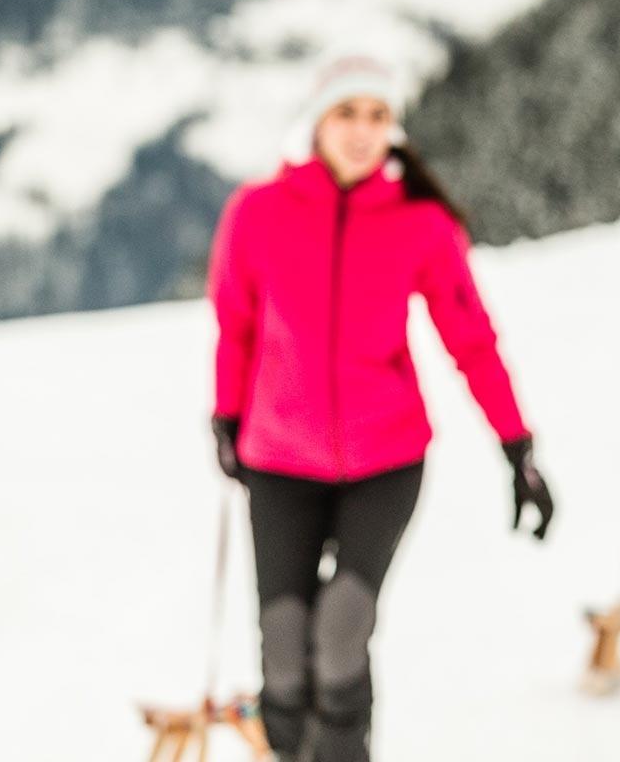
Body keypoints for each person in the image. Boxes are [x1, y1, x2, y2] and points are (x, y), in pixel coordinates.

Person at [207, 55, 555, 762]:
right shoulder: (259, 212)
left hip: (385, 459)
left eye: (377, 115)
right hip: (279, 460)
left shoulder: (418, 223)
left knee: (340, 632)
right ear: (318, 121)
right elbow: (237, 323)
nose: (363, 131)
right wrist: (228, 416)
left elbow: (472, 340)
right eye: (347, 113)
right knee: (282, 646)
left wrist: (516, 446)